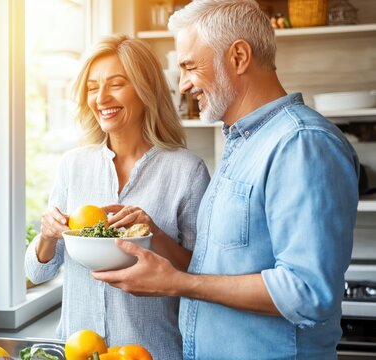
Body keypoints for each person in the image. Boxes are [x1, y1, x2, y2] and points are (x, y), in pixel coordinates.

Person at [92, 1, 360, 359]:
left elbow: (307, 292)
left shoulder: (301, 143)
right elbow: (216, 270)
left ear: (238, 57)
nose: (184, 84)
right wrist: (155, 236)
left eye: (189, 66)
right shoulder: (242, 144)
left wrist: (178, 285)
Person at [24, 34, 210, 359]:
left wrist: (154, 234)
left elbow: (200, 274)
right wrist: (47, 235)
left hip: (153, 351)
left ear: (145, 89)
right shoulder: (73, 165)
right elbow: (39, 273)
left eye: (116, 84)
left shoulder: (186, 171)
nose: (101, 98)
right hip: (77, 351)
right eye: (92, 87)